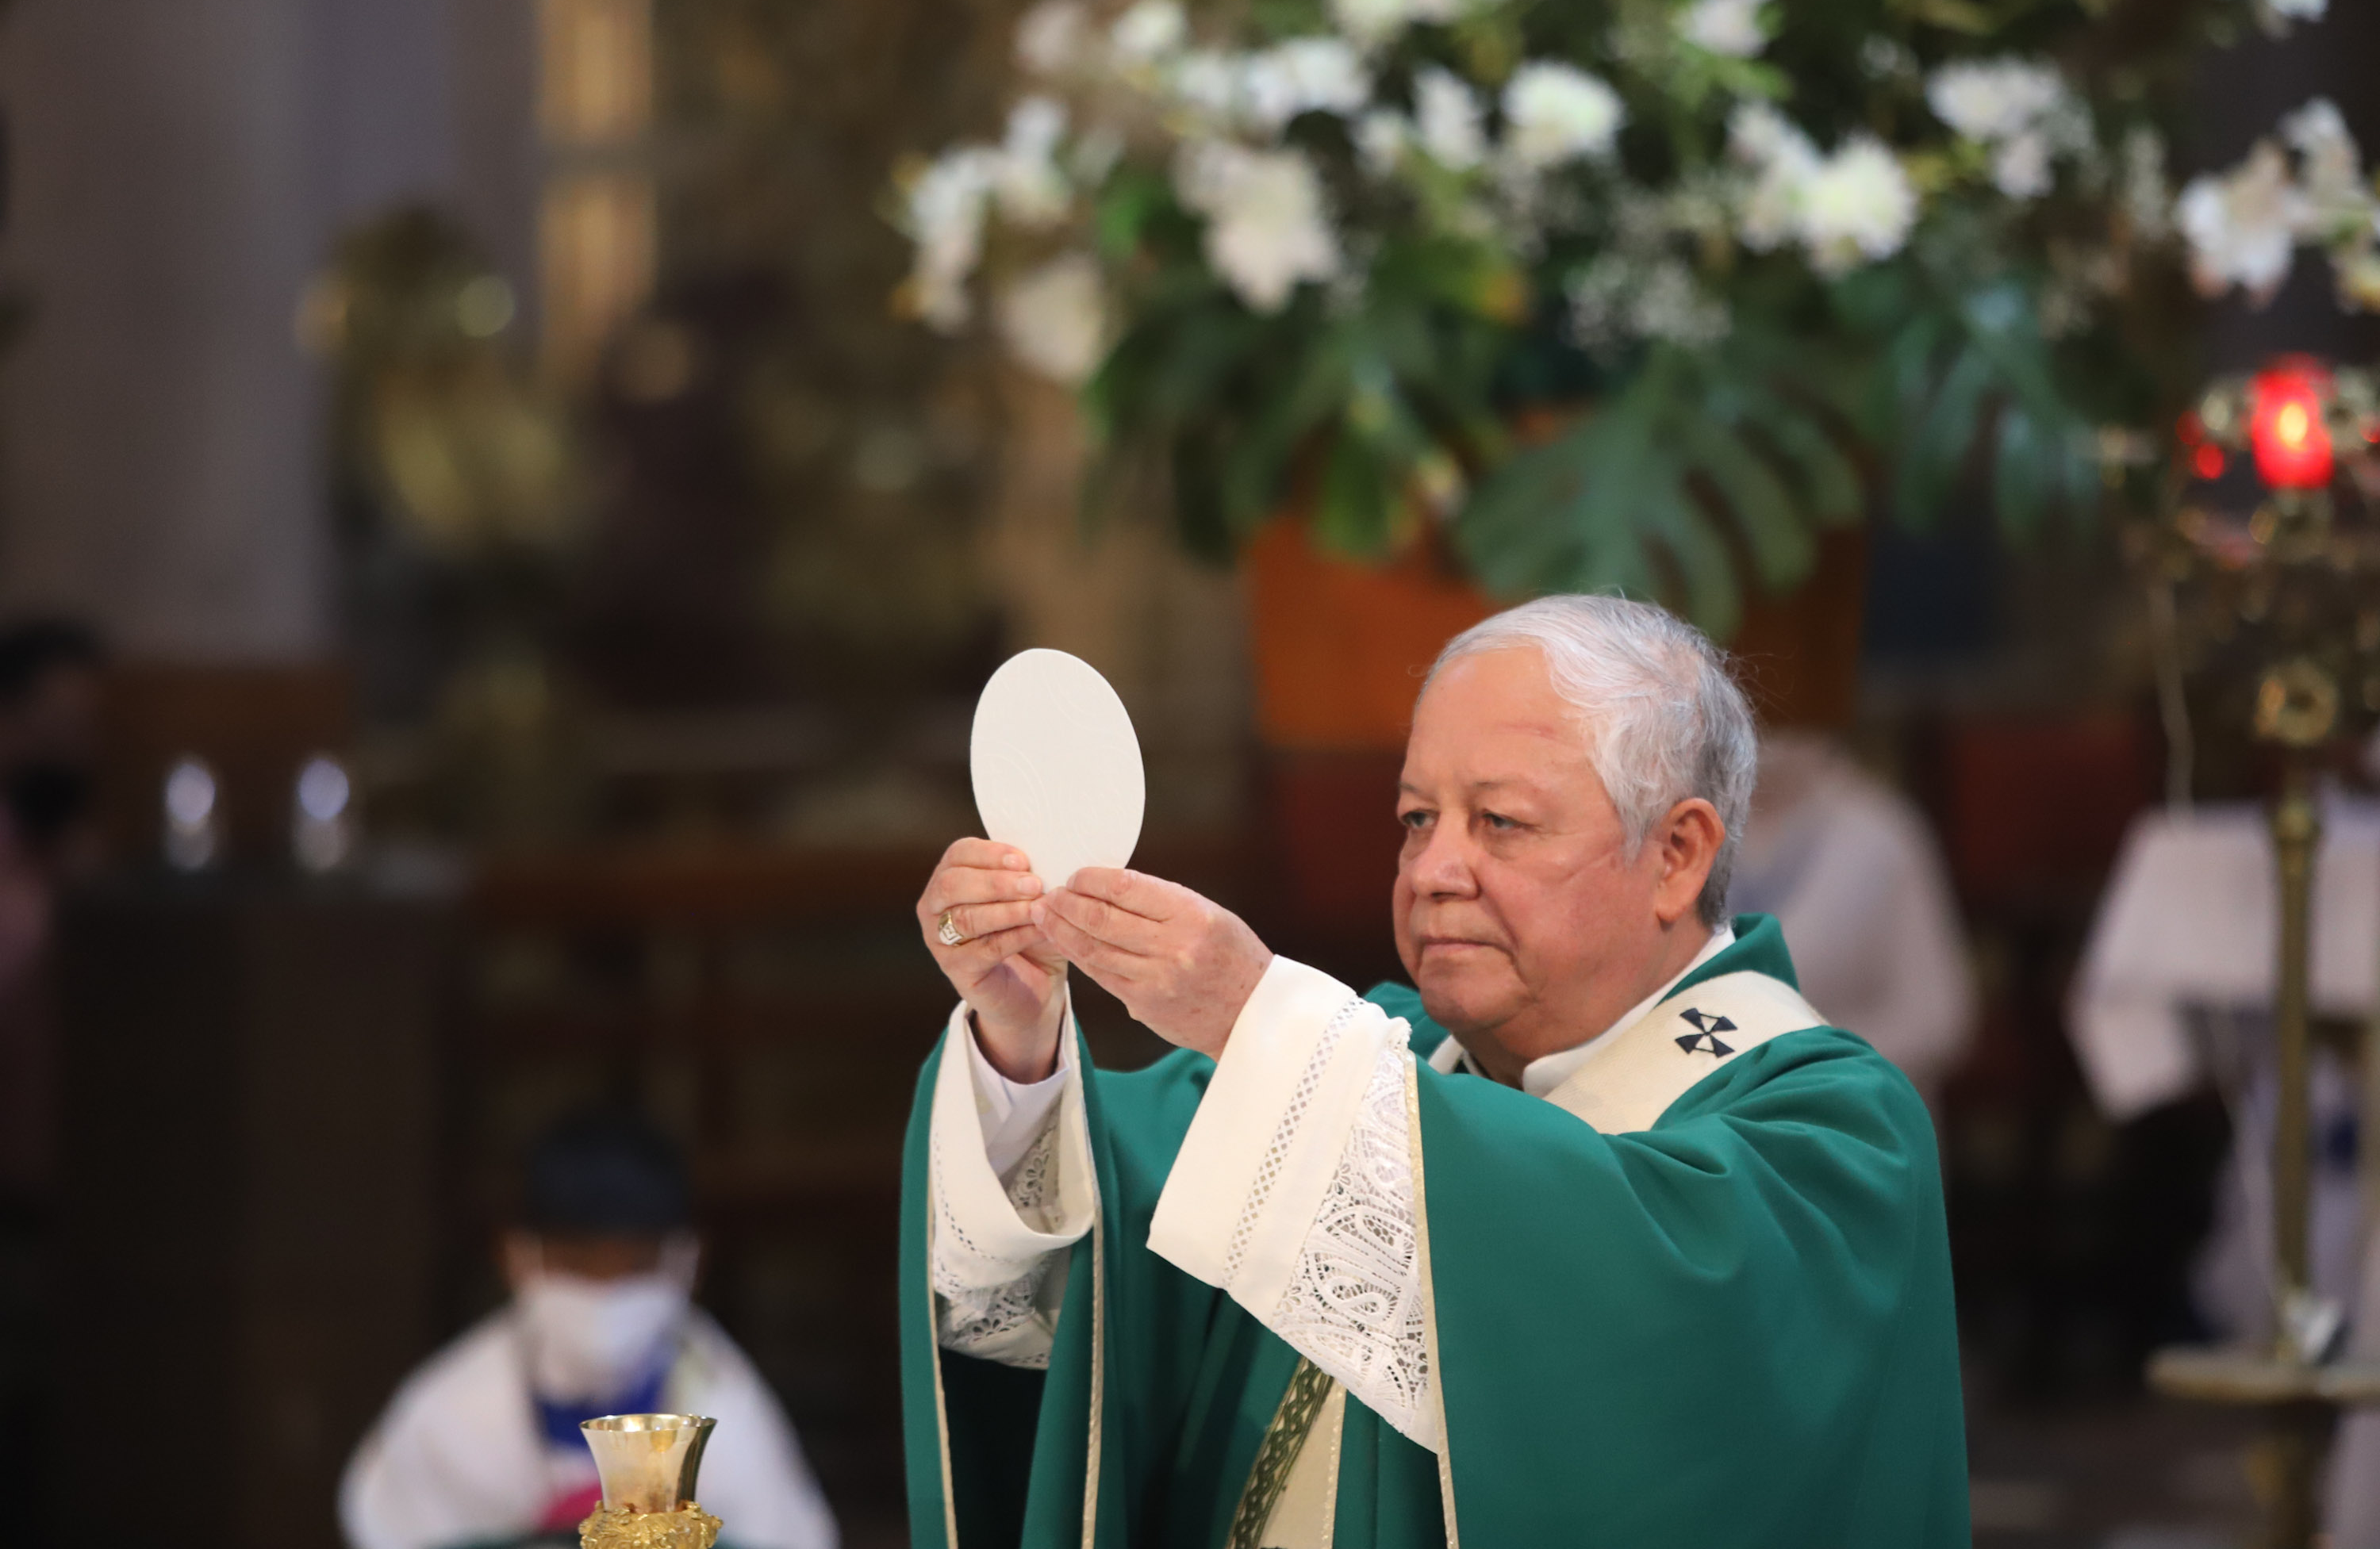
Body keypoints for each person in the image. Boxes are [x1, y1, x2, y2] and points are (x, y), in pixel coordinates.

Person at [904, 594, 1967, 1547]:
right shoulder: (1373, 1053)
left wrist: (1252, 1016)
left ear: (1678, 855)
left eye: (1499, 822)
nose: (1436, 871)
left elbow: (1647, 1357)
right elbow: (1084, 1281)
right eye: (1419, 819)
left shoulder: (1831, 1134)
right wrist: (1020, 1042)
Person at [340, 1112, 838, 1549]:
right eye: (576, 1265)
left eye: (636, 1267)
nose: (606, 1293)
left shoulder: (731, 1425)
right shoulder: (451, 1419)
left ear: (690, 1259)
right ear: (514, 1257)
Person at [1732, 728, 1976, 1107]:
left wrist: (1804, 1065)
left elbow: (1937, 1016)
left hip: (1846, 1117)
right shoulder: (1670, 832)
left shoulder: (1881, 834)